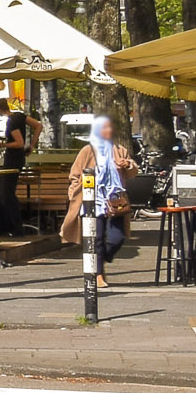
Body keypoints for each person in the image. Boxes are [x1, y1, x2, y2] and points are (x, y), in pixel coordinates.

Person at [67, 112, 130, 287]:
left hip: (116, 200)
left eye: (110, 127)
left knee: (117, 238)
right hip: (93, 200)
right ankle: (98, 274)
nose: (108, 131)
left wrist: (128, 165)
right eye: (104, 128)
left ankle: (102, 259)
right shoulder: (87, 150)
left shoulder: (119, 149)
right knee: (97, 238)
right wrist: (76, 191)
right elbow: (75, 175)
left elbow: (132, 171)